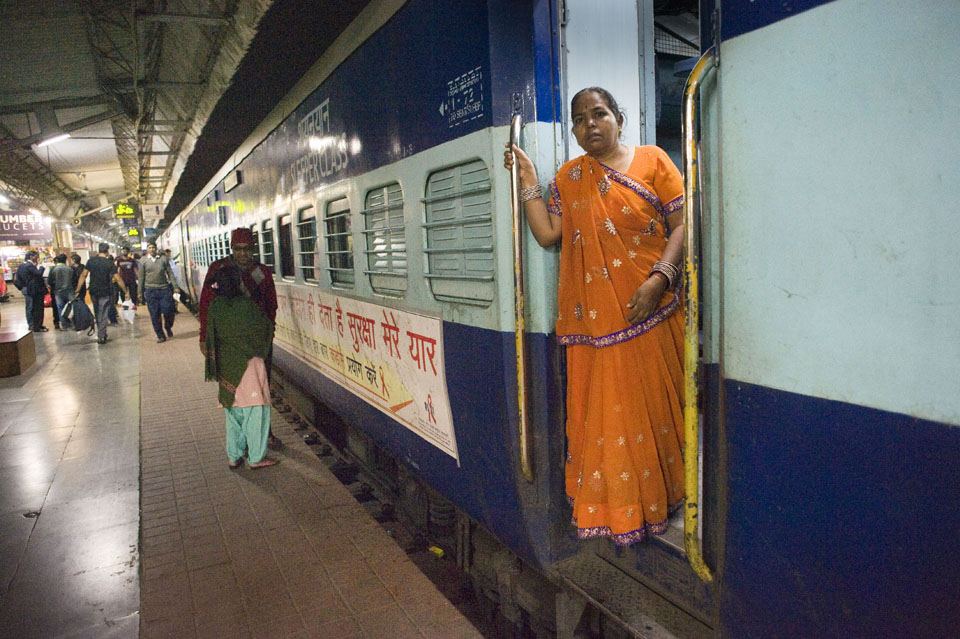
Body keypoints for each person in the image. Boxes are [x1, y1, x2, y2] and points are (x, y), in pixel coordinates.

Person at [504, 87, 686, 545]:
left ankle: (664, 497)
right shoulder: (569, 177)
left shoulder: (654, 161)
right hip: (596, 326)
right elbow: (547, 234)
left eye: (600, 114)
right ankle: (622, 506)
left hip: (652, 312)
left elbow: (684, 224)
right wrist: (528, 181)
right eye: (580, 119)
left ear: (619, 119)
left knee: (655, 414)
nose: (591, 125)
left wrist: (660, 278)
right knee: (611, 418)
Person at [199, 227, 281, 449]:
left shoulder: (261, 272)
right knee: (232, 391)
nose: (243, 254)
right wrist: (204, 337)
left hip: (257, 343)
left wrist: (268, 331)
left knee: (261, 388)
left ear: (253, 250)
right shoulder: (219, 270)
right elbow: (206, 304)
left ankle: (264, 435)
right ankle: (240, 442)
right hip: (228, 342)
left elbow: (271, 304)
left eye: (247, 249)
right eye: (238, 249)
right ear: (231, 249)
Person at [205, 265, 278, 469]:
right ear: (238, 284)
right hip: (249, 368)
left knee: (233, 412)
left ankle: (234, 455)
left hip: (226, 368)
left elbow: (211, 336)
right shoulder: (247, 306)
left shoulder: (215, 306)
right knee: (255, 412)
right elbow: (265, 329)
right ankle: (256, 457)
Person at [75, 243, 128, 344]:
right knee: (103, 313)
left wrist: (77, 290)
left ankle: (102, 332)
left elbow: (83, 275)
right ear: (107, 251)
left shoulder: (91, 261)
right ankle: (101, 335)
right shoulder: (109, 263)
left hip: (93, 291)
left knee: (98, 312)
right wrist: (125, 291)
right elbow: (117, 278)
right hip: (105, 291)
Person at [138, 242, 177, 343]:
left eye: (153, 247)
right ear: (147, 249)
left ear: (156, 249)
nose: (151, 249)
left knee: (168, 310)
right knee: (154, 314)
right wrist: (139, 292)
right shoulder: (143, 261)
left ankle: (168, 327)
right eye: (149, 248)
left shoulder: (163, 259)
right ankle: (160, 335)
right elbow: (141, 277)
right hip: (150, 291)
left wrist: (175, 286)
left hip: (164, 289)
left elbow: (170, 273)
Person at [15, 250, 47, 331]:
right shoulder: (30, 266)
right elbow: (39, 274)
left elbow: (16, 278)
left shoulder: (21, 266)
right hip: (32, 289)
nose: (37, 258)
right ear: (31, 256)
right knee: (33, 307)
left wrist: (21, 287)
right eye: (36, 256)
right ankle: (33, 324)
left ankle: (32, 324)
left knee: (29, 306)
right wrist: (41, 266)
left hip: (26, 288)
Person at [47, 254, 75, 330]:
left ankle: (64, 325)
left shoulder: (53, 269)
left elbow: (49, 281)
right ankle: (73, 324)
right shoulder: (70, 269)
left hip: (58, 292)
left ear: (57, 260)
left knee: (61, 308)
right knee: (71, 308)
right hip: (69, 290)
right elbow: (74, 280)